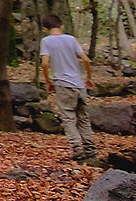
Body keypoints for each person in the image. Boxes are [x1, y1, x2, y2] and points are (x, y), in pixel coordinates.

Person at [39, 12, 96, 163]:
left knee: (68, 118)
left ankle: (77, 149)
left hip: (63, 84)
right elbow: (86, 60)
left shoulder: (46, 41)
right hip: (79, 84)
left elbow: (44, 64)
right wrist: (88, 78)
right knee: (83, 118)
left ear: (45, 29)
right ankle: (90, 148)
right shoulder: (71, 39)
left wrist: (48, 81)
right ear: (61, 26)